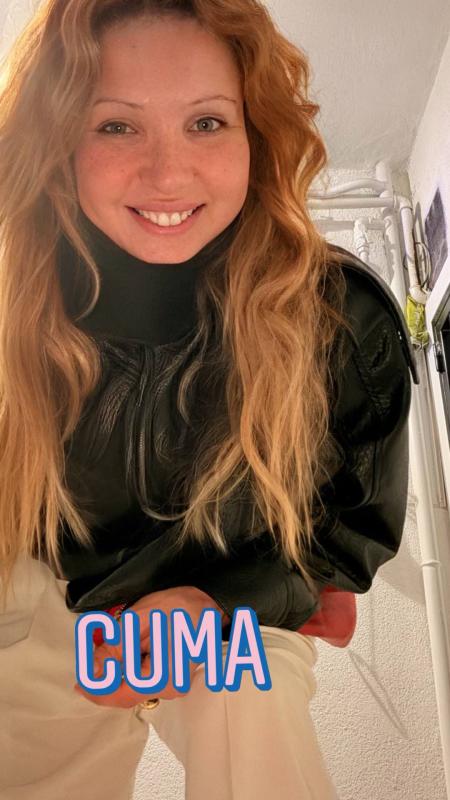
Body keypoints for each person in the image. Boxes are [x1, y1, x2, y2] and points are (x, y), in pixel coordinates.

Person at [0, 1, 415, 798]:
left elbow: (348, 536)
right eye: (117, 126)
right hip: (54, 594)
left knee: (247, 699)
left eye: (206, 123)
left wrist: (219, 606)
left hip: (235, 598)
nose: (167, 174)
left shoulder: (338, 317)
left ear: (254, 132)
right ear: (61, 141)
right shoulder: (16, 308)